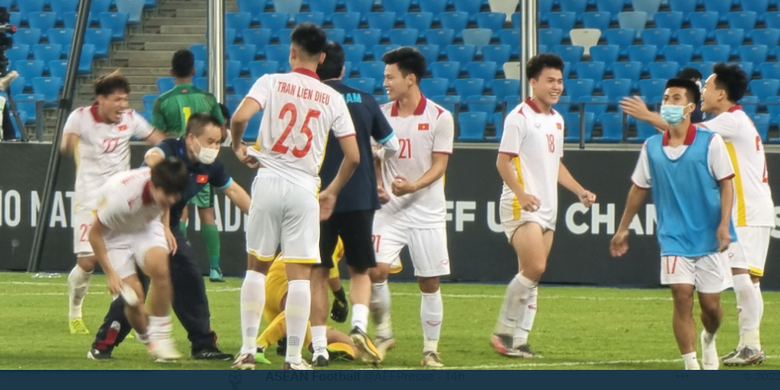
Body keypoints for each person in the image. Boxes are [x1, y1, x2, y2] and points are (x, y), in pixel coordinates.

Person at [620, 63, 772, 366]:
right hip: (747, 210)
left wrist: (649, 116)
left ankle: (751, 344)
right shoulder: (732, 120)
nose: (703, 91)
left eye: (708, 86)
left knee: (743, 277)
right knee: (743, 278)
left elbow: (685, 131)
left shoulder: (731, 121)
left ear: (722, 93)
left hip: (747, 209)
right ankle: (745, 343)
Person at [229, 22, 360, 371]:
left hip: (268, 179)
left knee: (256, 270)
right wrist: (331, 191)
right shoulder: (332, 97)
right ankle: (292, 358)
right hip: (304, 188)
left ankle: (245, 351)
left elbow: (240, 116)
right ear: (321, 58)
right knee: (300, 274)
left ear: (292, 52)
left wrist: (237, 145)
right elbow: (354, 156)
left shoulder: (271, 82)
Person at [88, 113, 248, 361]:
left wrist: (261, 218)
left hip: (156, 223)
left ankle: (197, 343)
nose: (215, 147)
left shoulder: (209, 166)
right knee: (132, 296)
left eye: (219, 142)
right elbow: (154, 157)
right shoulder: (158, 163)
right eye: (211, 141)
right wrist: (109, 272)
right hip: (119, 231)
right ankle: (107, 341)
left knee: (182, 276)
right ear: (192, 137)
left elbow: (232, 190)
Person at [611, 78, 736, 370]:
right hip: (673, 237)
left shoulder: (710, 142)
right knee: (681, 296)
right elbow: (639, 187)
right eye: (666, 98)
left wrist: (723, 225)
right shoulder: (652, 146)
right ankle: (691, 366)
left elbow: (726, 186)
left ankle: (710, 337)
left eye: (676, 98)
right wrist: (623, 228)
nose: (668, 104)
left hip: (708, 237)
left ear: (691, 106)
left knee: (711, 307)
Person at [490, 53, 597, 358]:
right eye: (550, 80)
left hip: (548, 206)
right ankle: (502, 331)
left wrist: (579, 191)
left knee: (532, 275)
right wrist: (521, 193)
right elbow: (502, 161)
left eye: (560, 81)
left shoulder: (558, 120)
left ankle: (521, 341)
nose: (557, 86)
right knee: (535, 267)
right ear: (533, 82)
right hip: (520, 204)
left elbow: (556, 164)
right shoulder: (518, 117)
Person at [309, 41, 400, 366]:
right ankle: (360, 324)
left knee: (318, 271)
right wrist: (375, 159)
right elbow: (392, 145)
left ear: (317, 67)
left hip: (318, 197)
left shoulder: (311, 98)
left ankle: (319, 347)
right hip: (360, 194)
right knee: (361, 268)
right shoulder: (364, 99)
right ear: (343, 69)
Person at [60, 71, 165, 335]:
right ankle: (75, 311)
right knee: (87, 262)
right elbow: (65, 145)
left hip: (120, 200)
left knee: (125, 260)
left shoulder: (130, 119)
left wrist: (162, 154)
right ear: (101, 99)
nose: (123, 106)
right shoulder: (80, 117)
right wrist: (68, 143)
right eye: (117, 100)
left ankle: (115, 318)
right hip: (89, 199)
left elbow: (159, 140)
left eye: (125, 99)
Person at [368, 47, 453, 367]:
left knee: (429, 282)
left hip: (426, 210)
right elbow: (376, 158)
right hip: (388, 209)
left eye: (390, 77)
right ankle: (384, 334)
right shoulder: (380, 114)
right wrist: (379, 185)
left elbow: (440, 165)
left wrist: (413, 186)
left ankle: (430, 349)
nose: (385, 82)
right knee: (375, 269)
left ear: (410, 79)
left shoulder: (440, 117)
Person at [88, 158, 189, 361]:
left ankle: (160, 337)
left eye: (176, 195)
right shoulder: (122, 200)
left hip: (145, 227)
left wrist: (166, 227)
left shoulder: (164, 188)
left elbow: (165, 205)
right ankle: (147, 337)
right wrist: (110, 274)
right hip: (114, 235)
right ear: (152, 185)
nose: (171, 199)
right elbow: (94, 234)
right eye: (167, 194)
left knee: (161, 271)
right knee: (134, 300)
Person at [152, 49, 227, 282]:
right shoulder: (207, 99)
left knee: (179, 213)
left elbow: (158, 135)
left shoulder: (162, 101)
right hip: (201, 159)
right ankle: (215, 268)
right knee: (208, 214)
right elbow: (221, 130)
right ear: (195, 71)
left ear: (171, 72)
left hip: (176, 161)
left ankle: (175, 261)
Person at [255, 239, 360, 365]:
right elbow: (330, 269)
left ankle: (303, 344)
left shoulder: (311, 228)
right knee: (302, 308)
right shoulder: (335, 235)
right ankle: (260, 345)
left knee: (351, 346)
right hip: (287, 285)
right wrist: (340, 297)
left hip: (272, 290)